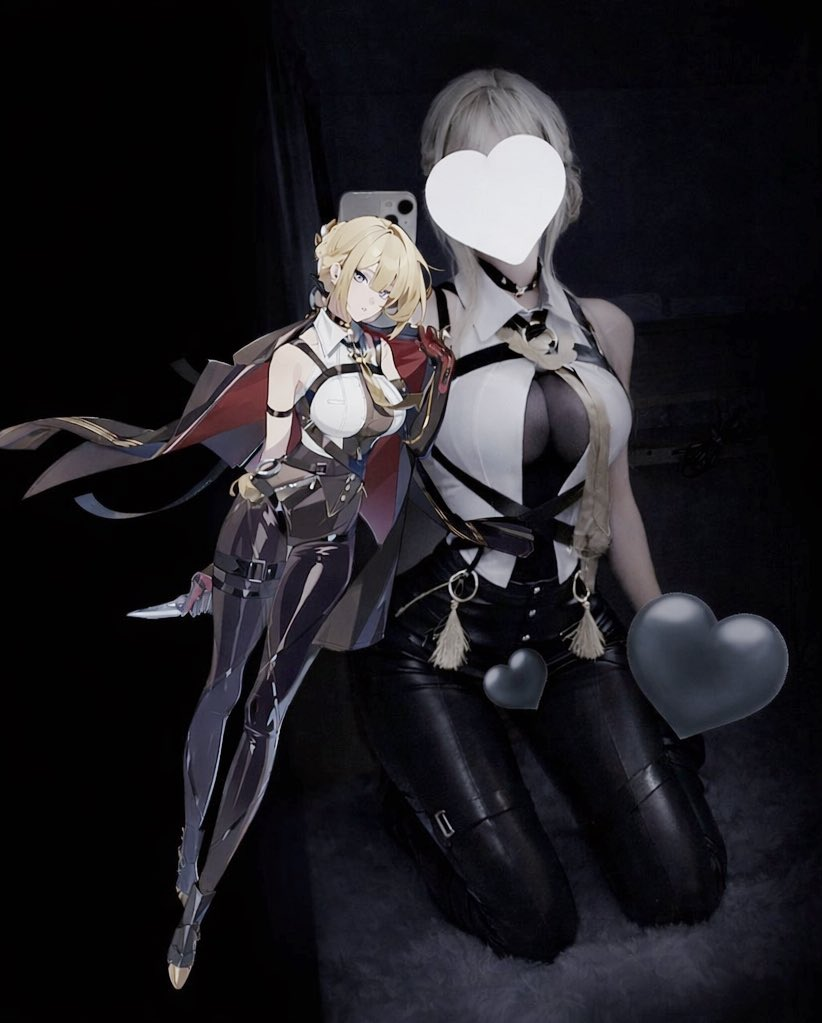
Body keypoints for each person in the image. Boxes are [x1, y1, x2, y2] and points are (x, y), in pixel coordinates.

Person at [0, 215, 453, 988]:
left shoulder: (385, 355)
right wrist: (234, 540)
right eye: (366, 280)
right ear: (335, 270)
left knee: (265, 709)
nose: (376, 299)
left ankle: (199, 905)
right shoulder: (295, 356)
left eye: (390, 292)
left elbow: (409, 441)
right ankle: (187, 847)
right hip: (267, 520)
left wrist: (431, 379)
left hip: (330, 538)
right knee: (223, 686)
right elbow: (273, 451)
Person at [349, 69, 727, 964]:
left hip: (569, 632)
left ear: (560, 179)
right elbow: (357, 493)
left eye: (520, 165)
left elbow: (615, 497)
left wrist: (664, 635)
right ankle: (412, 806)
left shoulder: (606, 328)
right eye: (472, 168)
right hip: (433, 647)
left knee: (684, 885)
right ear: (443, 189)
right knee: (535, 922)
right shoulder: (412, 330)